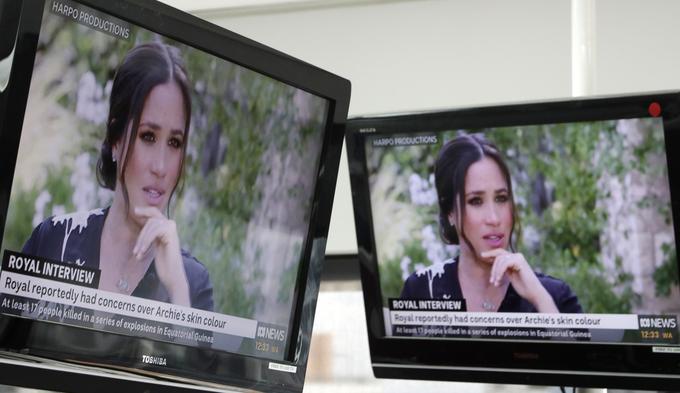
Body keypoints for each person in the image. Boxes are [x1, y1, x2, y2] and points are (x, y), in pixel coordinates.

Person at [22, 42, 213, 311]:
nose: (161, 166)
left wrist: (178, 293)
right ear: (115, 139)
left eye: (174, 143)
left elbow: (190, 354)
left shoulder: (192, 283)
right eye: (148, 136)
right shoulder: (54, 240)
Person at [400, 134, 582, 313]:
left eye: (501, 198)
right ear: (450, 212)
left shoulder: (555, 296)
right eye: (476, 201)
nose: (494, 218)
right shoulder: (422, 291)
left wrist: (541, 300)